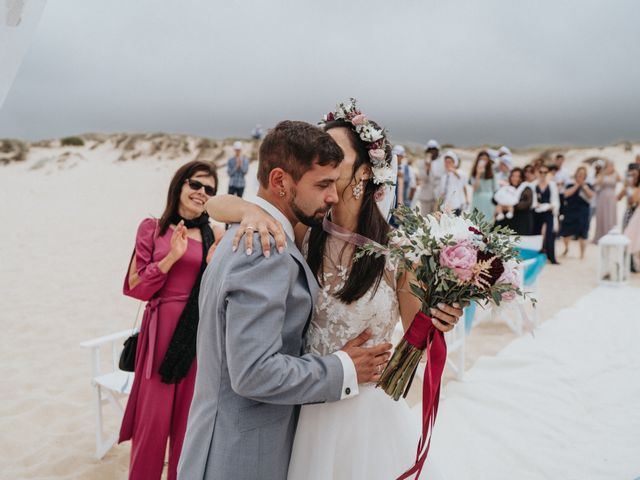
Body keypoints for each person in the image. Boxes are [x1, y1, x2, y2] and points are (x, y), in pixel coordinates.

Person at [201, 103, 464, 480]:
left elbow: (416, 342)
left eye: (337, 155)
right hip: (307, 410)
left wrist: (440, 316)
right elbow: (214, 203)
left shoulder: (398, 251)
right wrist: (248, 211)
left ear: (362, 173)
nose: (325, 159)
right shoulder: (308, 233)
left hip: (366, 419)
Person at [119, 161, 224, 480]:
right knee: (151, 427)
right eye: (195, 185)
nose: (201, 193)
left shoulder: (215, 233)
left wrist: (211, 266)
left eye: (210, 189)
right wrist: (170, 258)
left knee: (187, 427)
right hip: (160, 335)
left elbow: (218, 290)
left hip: (197, 337)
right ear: (179, 185)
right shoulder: (152, 227)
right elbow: (135, 288)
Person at [559, 166, 594, 259]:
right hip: (570, 211)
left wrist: (584, 186)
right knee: (566, 232)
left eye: (583, 175)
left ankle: (582, 254)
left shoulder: (588, 185)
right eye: (579, 174)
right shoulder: (570, 185)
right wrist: (577, 185)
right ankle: (566, 248)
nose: (581, 176)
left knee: (583, 233)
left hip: (583, 212)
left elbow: (591, 195)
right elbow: (566, 194)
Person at [533, 164, 560, 264]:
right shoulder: (533, 184)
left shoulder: (552, 185)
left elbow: (556, 200)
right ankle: (535, 256)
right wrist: (536, 204)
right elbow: (532, 200)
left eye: (545, 172)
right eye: (541, 172)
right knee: (536, 233)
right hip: (536, 213)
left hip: (549, 212)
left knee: (550, 234)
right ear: (538, 173)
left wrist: (552, 206)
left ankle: (551, 257)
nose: (543, 174)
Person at [494, 167, 534, 235]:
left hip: (520, 221)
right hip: (505, 221)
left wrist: (511, 206)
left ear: (522, 178)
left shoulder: (526, 188)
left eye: (518, 176)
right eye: (513, 176)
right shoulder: (506, 187)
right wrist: (502, 205)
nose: (515, 178)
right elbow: (495, 198)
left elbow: (527, 203)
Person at [593, 159, 621, 243]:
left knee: (611, 216)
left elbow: (621, 180)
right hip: (602, 197)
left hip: (612, 198)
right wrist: (604, 173)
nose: (610, 167)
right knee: (602, 215)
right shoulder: (602, 174)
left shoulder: (615, 174)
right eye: (609, 165)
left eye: (612, 165)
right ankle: (601, 235)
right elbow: (596, 184)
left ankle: (612, 235)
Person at [619, 168, 640, 271]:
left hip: (636, 214)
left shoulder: (637, 189)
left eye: (635, 175)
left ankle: (634, 263)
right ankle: (629, 263)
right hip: (630, 213)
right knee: (628, 237)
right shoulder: (629, 188)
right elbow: (619, 198)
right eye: (632, 176)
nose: (634, 178)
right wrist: (627, 188)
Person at [415, 139, 444, 214]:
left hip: (438, 197)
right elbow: (424, 178)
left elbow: (440, 178)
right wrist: (427, 167)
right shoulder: (421, 163)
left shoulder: (441, 163)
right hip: (425, 197)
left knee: (437, 220)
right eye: (430, 150)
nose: (432, 152)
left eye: (434, 150)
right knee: (425, 220)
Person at [469, 150, 495, 222]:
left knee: (488, 223)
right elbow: (475, 188)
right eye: (481, 159)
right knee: (476, 223)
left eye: (485, 159)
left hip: (489, 201)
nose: (483, 161)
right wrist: (478, 174)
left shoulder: (492, 173)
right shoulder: (474, 173)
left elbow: (495, 189)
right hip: (477, 200)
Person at [439, 150, 468, 215]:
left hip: (456, 205)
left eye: (449, 162)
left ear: (454, 162)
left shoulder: (460, 173)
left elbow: (462, 179)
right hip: (445, 205)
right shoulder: (444, 176)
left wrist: (453, 171)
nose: (447, 164)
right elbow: (442, 192)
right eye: (446, 162)